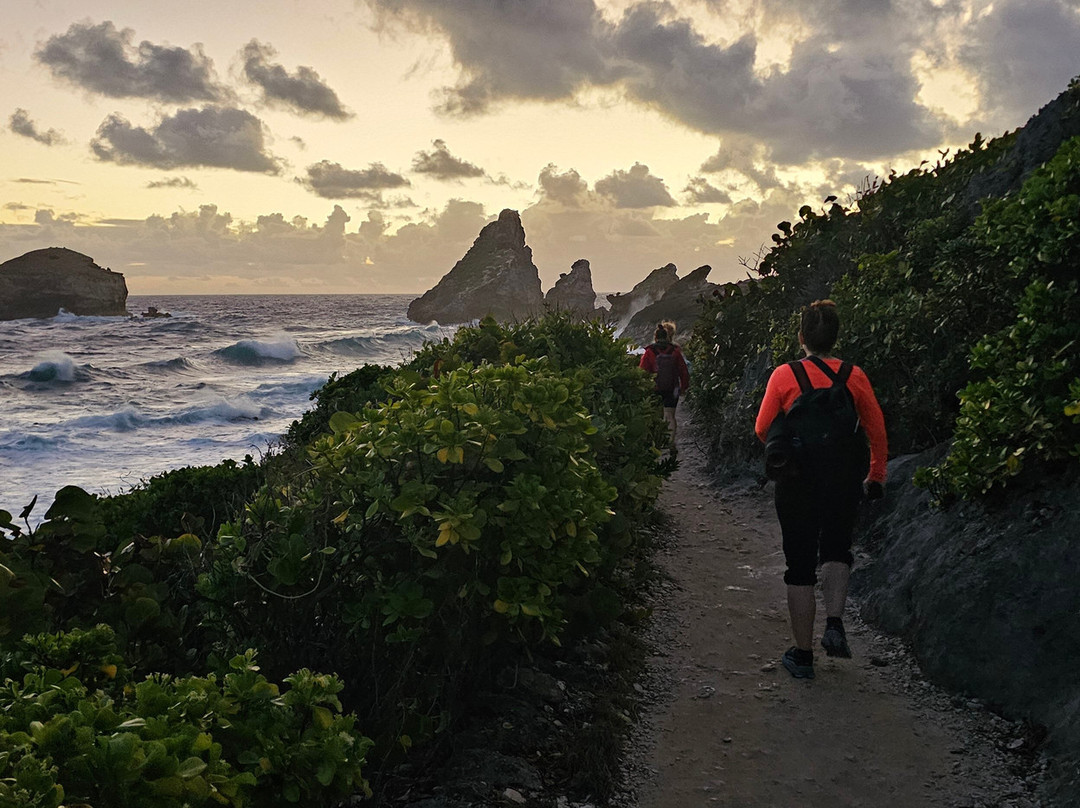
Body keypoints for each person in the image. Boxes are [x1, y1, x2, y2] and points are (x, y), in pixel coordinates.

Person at [754, 300, 887, 680]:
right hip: (843, 476)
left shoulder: (784, 375)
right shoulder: (854, 375)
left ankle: (802, 654)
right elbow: (876, 430)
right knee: (836, 548)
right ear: (836, 337)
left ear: (801, 338)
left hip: (797, 479)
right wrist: (875, 474)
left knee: (798, 564)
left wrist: (791, 440)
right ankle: (834, 622)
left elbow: (762, 428)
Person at [639, 321, 690, 452]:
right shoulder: (675, 351)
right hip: (673, 388)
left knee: (656, 416)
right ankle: (671, 442)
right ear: (667, 336)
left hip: (655, 388)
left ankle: (656, 445)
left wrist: (642, 388)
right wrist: (684, 387)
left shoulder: (649, 351)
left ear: (655, 337)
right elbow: (683, 370)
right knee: (670, 416)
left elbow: (642, 371)